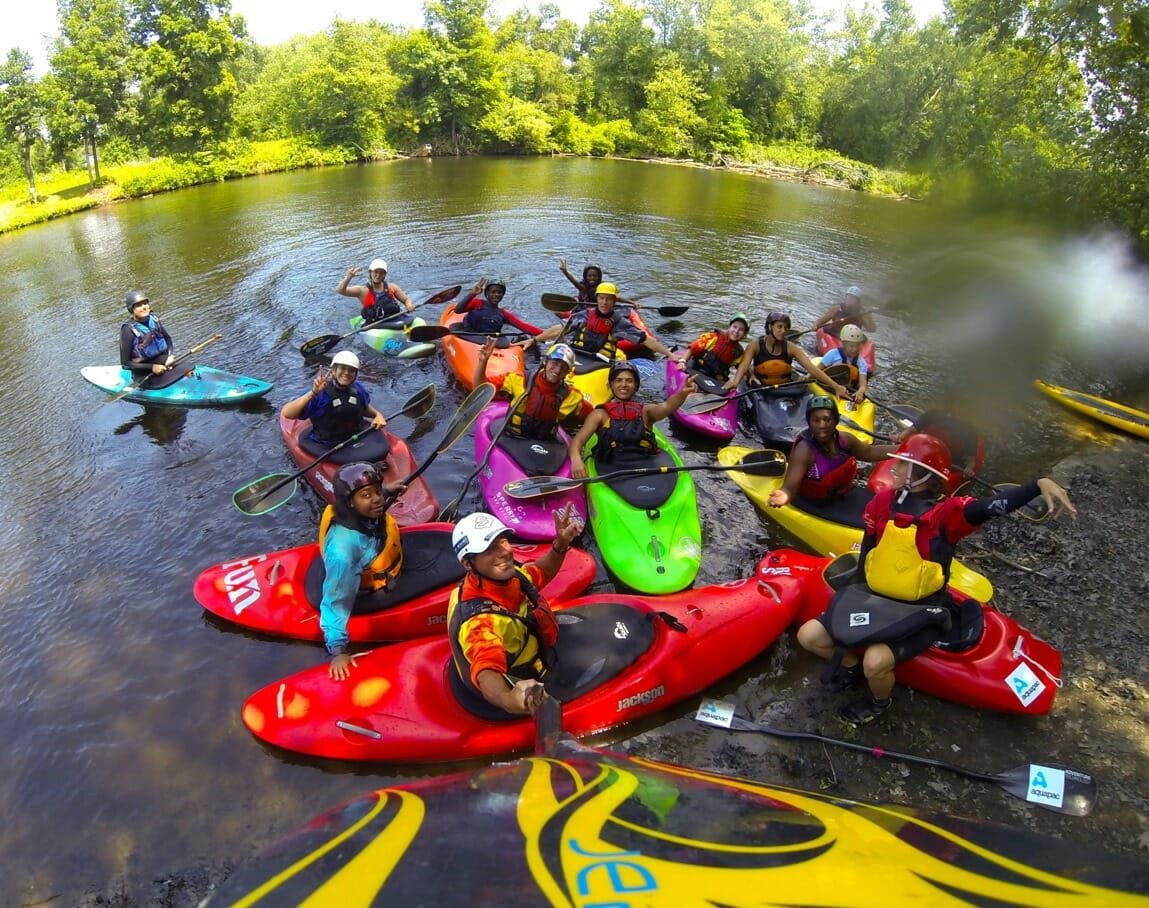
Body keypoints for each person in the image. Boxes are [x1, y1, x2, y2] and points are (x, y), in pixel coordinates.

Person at [796, 434, 1076, 725]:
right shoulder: (880, 504)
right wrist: (852, 593)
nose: (894, 469)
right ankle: (852, 669)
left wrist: (1036, 486)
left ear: (922, 475)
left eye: (903, 466)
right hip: (875, 597)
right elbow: (868, 548)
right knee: (809, 637)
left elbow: (991, 506)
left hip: (921, 609)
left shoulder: (947, 514)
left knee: (875, 662)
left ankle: (879, 702)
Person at [447, 507, 584, 715]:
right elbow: (486, 670)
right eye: (489, 548)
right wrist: (508, 697)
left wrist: (561, 544)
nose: (504, 551)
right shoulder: (479, 622)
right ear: (468, 563)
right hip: (517, 682)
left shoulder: (506, 578)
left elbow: (540, 573)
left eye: (502, 541)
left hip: (534, 651)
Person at [318, 463, 406, 680]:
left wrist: (386, 491)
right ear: (349, 502)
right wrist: (338, 651)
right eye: (368, 495)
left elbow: (368, 500)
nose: (377, 499)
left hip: (375, 559)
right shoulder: (343, 551)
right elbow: (336, 600)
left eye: (377, 491)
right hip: (366, 589)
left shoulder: (356, 511)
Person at [568, 360, 697, 479]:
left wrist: (683, 393)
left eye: (629, 381)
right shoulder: (599, 415)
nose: (623, 385)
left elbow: (667, 406)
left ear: (635, 385)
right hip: (611, 467)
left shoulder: (646, 412)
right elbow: (577, 442)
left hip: (645, 464)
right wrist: (576, 459)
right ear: (611, 385)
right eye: (618, 380)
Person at [767, 396, 896, 506]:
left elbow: (869, 452)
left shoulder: (846, 440)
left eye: (827, 419)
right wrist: (784, 495)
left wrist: (903, 449)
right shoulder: (804, 451)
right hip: (815, 502)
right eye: (816, 420)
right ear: (809, 423)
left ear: (835, 421)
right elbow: (790, 487)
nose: (822, 425)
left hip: (842, 495)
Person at [473, 339, 593, 439]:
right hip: (513, 435)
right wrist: (482, 362)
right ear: (545, 361)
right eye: (555, 363)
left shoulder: (571, 396)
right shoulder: (519, 379)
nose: (557, 370)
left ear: (568, 372)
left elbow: (593, 416)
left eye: (563, 367)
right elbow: (480, 389)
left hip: (545, 442)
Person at [534, 283, 675, 361]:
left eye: (608, 299)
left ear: (614, 301)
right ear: (597, 299)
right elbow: (559, 329)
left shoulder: (619, 322)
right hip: (578, 354)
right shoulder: (584, 315)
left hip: (602, 360)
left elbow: (645, 340)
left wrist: (670, 355)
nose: (604, 302)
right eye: (601, 298)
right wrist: (534, 340)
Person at [724, 311, 850, 397]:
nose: (783, 331)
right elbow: (744, 364)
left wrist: (836, 387)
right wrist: (735, 382)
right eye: (779, 327)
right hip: (762, 388)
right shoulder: (755, 345)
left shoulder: (791, 348)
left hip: (785, 389)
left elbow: (812, 369)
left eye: (785, 328)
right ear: (770, 327)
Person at [280, 350, 388, 445]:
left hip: (356, 436)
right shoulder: (320, 393)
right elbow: (288, 414)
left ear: (355, 374)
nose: (346, 373)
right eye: (342, 368)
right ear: (333, 371)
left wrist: (377, 415)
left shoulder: (359, 389)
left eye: (351, 370)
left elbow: (363, 408)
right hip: (328, 444)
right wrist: (313, 393)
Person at [894, 409, 984, 480]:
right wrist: (900, 438)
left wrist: (969, 468)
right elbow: (911, 431)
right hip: (922, 454)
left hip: (947, 464)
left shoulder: (969, 431)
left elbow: (971, 461)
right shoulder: (933, 414)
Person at [454, 278, 543, 340]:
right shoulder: (477, 303)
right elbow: (458, 310)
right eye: (493, 292)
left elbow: (524, 327)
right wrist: (472, 294)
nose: (496, 295)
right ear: (487, 293)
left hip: (488, 340)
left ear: (503, 295)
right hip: (468, 334)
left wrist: (547, 334)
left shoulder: (503, 314)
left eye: (499, 292)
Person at [670, 313, 749, 383]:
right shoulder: (712, 337)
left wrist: (751, 376)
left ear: (744, 334)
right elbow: (692, 348)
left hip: (715, 379)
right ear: (729, 327)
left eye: (741, 330)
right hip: (696, 369)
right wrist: (683, 361)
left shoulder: (738, 352)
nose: (736, 331)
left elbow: (742, 367)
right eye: (734, 327)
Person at [335, 258, 414, 322]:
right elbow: (340, 290)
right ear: (370, 272)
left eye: (381, 273)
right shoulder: (362, 291)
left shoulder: (392, 287)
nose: (378, 275)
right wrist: (348, 278)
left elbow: (406, 299)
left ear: (385, 274)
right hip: (376, 327)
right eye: (375, 272)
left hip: (396, 319)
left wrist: (409, 305)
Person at [119, 290, 175, 376]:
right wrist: (152, 367)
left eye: (145, 304)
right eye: (139, 305)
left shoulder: (154, 319)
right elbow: (125, 363)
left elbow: (168, 339)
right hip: (143, 371)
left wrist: (170, 356)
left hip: (161, 362)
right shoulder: (127, 330)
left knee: (187, 367)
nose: (144, 307)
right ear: (132, 309)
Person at [818, 324, 870, 403]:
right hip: (829, 386)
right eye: (851, 346)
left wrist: (860, 391)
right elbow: (818, 370)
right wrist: (807, 376)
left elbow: (863, 383)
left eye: (857, 346)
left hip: (848, 390)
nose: (854, 349)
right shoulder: (833, 354)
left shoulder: (861, 362)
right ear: (844, 344)